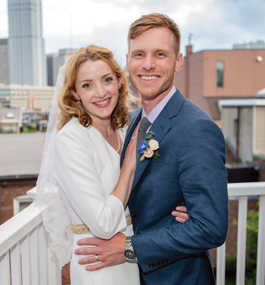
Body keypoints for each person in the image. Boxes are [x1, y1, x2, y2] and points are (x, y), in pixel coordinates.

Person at [75, 13, 228, 284]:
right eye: (139, 54)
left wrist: (129, 247)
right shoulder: (132, 121)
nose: (148, 65)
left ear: (178, 61)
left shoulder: (196, 128)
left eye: (160, 54)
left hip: (178, 277)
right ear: (127, 61)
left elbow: (210, 228)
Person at [36, 45, 141, 284]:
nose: (101, 92)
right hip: (99, 265)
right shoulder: (72, 139)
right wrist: (128, 168)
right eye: (87, 85)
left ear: (119, 81)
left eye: (107, 80)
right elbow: (103, 224)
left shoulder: (125, 128)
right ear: (74, 93)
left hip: (131, 257)